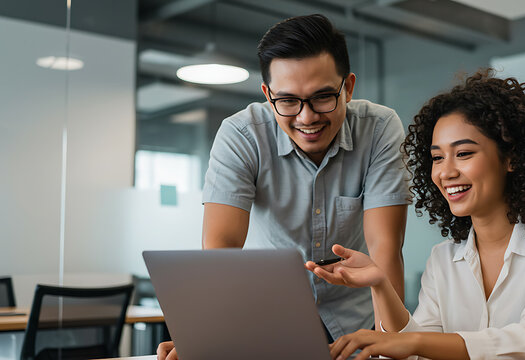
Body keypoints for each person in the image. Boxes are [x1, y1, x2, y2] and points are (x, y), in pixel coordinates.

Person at [157, 14, 410, 360]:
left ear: (348, 87)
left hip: (357, 324)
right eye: (288, 101)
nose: (307, 118)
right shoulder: (242, 135)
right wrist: (208, 334)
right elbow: (221, 246)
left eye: (323, 97)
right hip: (265, 322)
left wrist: (390, 346)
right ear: (267, 93)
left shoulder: (379, 129)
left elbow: (385, 247)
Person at [307, 69, 525, 360]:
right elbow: (416, 353)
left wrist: (417, 343)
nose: (446, 172)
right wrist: (380, 284)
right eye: (437, 157)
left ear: (512, 158)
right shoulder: (443, 259)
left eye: (464, 153)